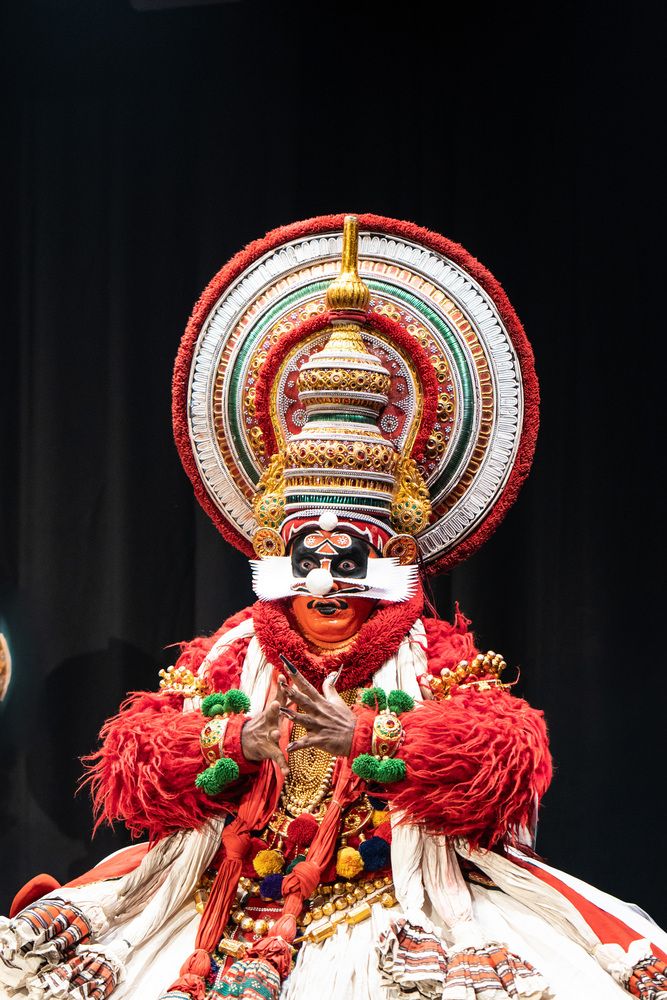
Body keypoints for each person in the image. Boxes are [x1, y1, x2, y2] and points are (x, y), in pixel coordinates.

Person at [1, 214, 665, 1000]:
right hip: (223, 907)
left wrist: (370, 733)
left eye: (346, 562)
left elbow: (502, 763)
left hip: (391, 906)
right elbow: (138, 757)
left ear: (388, 558)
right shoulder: (231, 654)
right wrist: (233, 739)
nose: (322, 586)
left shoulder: (432, 654)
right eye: (304, 562)